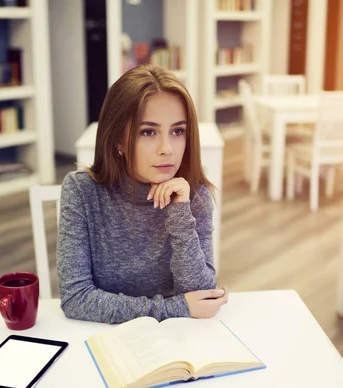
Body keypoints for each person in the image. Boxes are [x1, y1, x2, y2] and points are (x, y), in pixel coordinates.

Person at [57, 64, 228, 324]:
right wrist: (174, 308)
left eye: (177, 131)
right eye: (148, 132)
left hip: (178, 339)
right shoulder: (82, 192)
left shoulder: (194, 193)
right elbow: (76, 298)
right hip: (105, 339)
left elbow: (201, 295)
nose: (167, 148)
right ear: (117, 139)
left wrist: (180, 213)